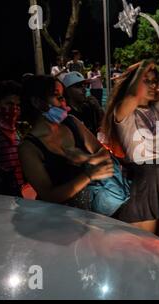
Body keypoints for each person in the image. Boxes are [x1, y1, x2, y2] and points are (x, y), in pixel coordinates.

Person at [102, 40, 159, 244]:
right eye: (147, 80)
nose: (154, 85)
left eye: (155, 81)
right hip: (144, 178)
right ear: (135, 82)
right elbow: (133, 95)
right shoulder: (123, 110)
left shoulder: (157, 107)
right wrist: (143, 65)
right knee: (146, 244)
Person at [19, 75, 114, 210]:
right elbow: (48, 195)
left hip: (88, 212)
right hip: (57, 219)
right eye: (57, 96)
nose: (63, 102)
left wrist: (87, 158)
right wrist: (88, 175)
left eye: (63, 96)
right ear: (37, 102)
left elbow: (103, 152)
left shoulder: (72, 123)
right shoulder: (28, 148)